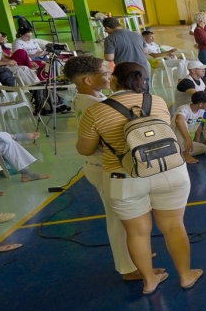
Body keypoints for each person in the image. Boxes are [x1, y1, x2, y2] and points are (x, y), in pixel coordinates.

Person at [76, 62, 199, 295]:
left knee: (137, 233)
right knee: (174, 226)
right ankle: (186, 276)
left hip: (124, 177)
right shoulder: (158, 102)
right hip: (168, 170)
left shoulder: (96, 111)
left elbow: (85, 149)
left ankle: (149, 281)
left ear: (114, 80)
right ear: (143, 80)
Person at [64, 55, 149, 282]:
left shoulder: (94, 99)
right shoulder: (93, 106)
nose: (110, 77)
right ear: (88, 80)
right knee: (119, 219)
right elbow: (89, 146)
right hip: (104, 167)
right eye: (105, 74)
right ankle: (127, 267)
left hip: (110, 165)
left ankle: (135, 254)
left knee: (128, 216)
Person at [174, 91, 206, 163]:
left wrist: (197, 141)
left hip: (185, 141)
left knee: (203, 148)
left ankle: (178, 153)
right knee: (183, 122)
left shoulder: (201, 111)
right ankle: (185, 154)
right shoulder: (184, 108)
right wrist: (188, 139)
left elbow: (199, 125)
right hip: (175, 138)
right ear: (200, 104)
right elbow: (178, 120)